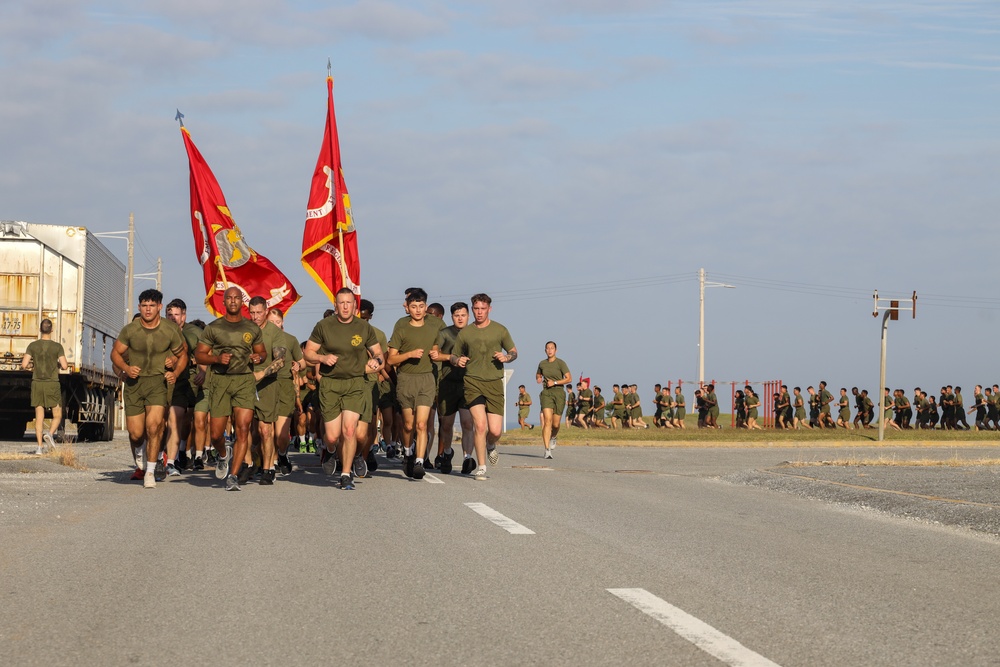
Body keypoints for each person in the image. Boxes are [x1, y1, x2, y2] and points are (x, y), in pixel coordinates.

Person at [304, 288, 383, 490]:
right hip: (331, 384)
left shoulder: (363, 327)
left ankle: (346, 474)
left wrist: (376, 362)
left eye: (349, 303)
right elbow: (308, 353)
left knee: (349, 430)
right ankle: (330, 450)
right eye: (342, 303)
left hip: (355, 383)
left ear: (355, 306)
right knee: (332, 436)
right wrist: (322, 358)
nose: (346, 306)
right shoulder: (323, 326)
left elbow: (379, 354)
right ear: (335, 306)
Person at [111, 289, 188, 489]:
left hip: (157, 383)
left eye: (152, 306)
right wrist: (126, 368)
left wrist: (176, 373)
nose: (147, 309)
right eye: (144, 306)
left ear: (159, 307)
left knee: (154, 427)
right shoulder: (130, 330)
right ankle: (139, 452)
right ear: (139, 307)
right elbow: (115, 354)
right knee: (136, 434)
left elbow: (183, 356)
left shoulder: (169, 330)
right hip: (135, 385)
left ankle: (151, 472)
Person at [194, 286, 266, 491]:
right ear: (223, 302)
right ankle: (223, 456)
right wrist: (216, 358)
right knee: (216, 434)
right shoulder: (213, 327)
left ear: (242, 302)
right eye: (229, 298)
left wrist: (258, 357)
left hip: (244, 381)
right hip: (220, 381)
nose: (233, 301)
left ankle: (233, 476)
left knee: (243, 429)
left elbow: (262, 352)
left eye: (237, 298)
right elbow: (199, 355)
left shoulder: (252, 328)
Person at [449, 293, 516, 481]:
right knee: (479, 425)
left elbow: (513, 351)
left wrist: (507, 357)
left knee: (494, 431)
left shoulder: (500, 330)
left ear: (489, 309)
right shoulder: (466, 333)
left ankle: (491, 445)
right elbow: (453, 356)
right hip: (472, 382)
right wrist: (458, 360)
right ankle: (481, 466)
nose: (479, 312)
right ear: (472, 309)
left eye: (483, 309)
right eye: (476, 309)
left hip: (494, 383)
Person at [387, 288, 444, 480]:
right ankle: (408, 453)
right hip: (406, 379)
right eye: (413, 306)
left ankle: (420, 461)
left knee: (421, 424)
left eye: (421, 306)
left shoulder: (435, 325)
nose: (418, 310)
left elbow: (437, 347)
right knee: (408, 425)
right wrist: (409, 354)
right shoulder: (401, 326)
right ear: (407, 308)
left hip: (427, 378)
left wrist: (437, 354)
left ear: (426, 307)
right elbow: (391, 360)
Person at [435, 302, 473, 474]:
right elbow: (434, 353)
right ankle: (447, 452)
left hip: (468, 383)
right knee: (447, 425)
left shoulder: (474, 333)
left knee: (467, 423)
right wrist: (452, 357)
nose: (460, 318)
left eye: (463, 315)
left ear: (468, 316)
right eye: (457, 315)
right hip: (448, 383)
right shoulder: (445, 333)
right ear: (452, 317)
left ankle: (467, 458)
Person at [21, 318, 68, 455]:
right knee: (57, 414)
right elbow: (64, 365)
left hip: (37, 383)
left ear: (40, 329)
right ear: (51, 330)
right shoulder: (57, 347)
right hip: (52, 383)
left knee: (39, 416)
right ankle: (50, 433)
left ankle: (39, 447)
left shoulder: (33, 345)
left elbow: (24, 364)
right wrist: (57, 365)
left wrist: (31, 366)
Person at [266, 307, 304, 477]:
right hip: (266, 386)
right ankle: (270, 464)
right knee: (268, 431)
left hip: (285, 386)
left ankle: (282, 454)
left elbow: (302, 361)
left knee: (281, 434)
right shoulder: (261, 339)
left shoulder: (290, 340)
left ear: (282, 322)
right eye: (271, 322)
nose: (274, 325)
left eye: (277, 322)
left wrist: (298, 365)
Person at [357, 299, 389, 476]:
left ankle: (363, 455)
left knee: (369, 422)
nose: (362, 319)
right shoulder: (345, 331)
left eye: (365, 315)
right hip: (346, 381)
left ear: (370, 316)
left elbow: (383, 362)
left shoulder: (379, 335)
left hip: (369, 383)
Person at [536, 341, 570, 459]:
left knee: (555, 424)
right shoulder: (542, 363)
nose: (550, 350)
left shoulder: (561, 363)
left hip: (559, 393)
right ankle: (547, 450)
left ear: (556, 350)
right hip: (546, 394)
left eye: (552, 348)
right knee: (547, 421)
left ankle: (553, 437)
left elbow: (569, 378)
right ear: (545, 350)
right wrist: (539, 378)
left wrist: (555, 382)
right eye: (547, 348)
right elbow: (538, 374)